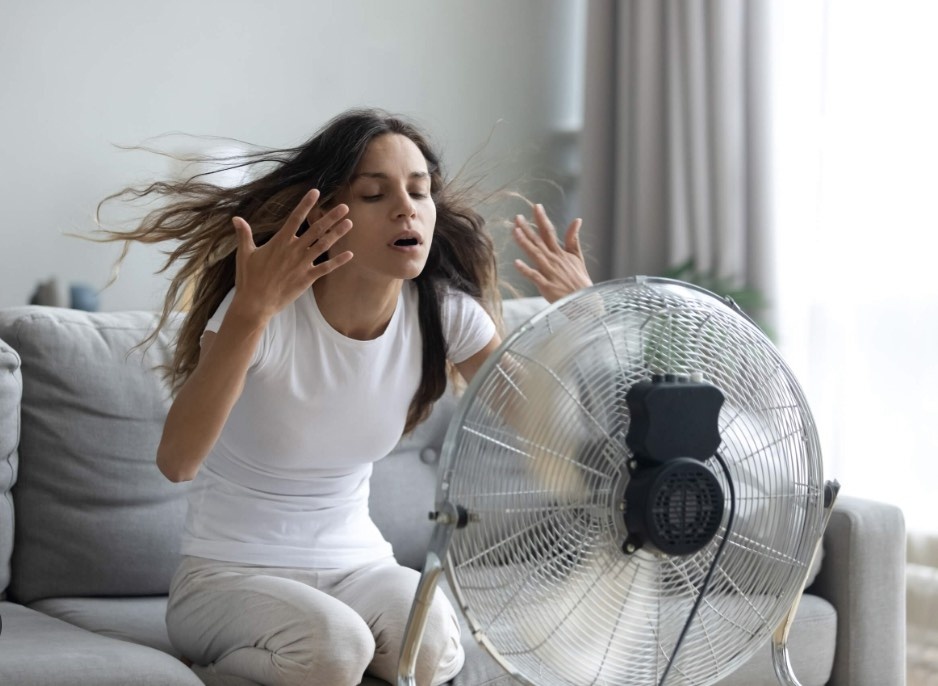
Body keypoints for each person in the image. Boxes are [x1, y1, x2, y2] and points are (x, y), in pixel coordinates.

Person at [99, 107, 592, 686]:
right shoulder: (263, 309)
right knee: (335, 648)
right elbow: (177, 461)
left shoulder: (444, 314)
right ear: (328, 211)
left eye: (419, 191)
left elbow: (556, 443)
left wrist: (586, 321)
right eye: (374, 194)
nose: (407, 208)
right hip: (229, 576)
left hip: (359, 565)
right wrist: (250, 315)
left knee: (431, 646)